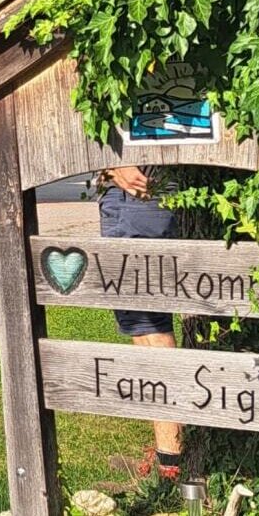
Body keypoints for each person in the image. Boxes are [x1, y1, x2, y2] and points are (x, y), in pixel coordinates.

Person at [99, 164, 184, 482]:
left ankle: (172, 463)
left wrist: (119, 166)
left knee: (152, 327)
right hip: (118, 192)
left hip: (146, 189)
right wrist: (111, 168)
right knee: (138, 327)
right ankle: (167, 448)